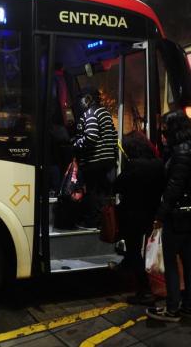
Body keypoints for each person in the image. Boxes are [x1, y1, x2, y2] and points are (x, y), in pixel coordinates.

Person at [146, 110, 191, 322]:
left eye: (165, 127)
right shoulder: (184, 148)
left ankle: (173, 307)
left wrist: (160, 215)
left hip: (178, 216)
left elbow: (173, 188)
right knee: (188, 262)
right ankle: (188, 305)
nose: (162, 132)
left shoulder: (181, 152)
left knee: (171, 263)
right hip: (187, 215)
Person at [114, 131, 165, 305]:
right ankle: (128, 269)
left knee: (134, 251)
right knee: (141, 250)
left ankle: (144, 290)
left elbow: (117, 185)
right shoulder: (159, 164)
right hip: (150, 213)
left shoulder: (133, 165)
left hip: (132, 215)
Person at [73, 85, 117, 229]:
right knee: (103, 193)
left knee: (92, 192)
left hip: (94, 160)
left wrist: (77, 143)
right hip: (107, 160)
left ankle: (92, 222)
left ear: (88, 99)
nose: (81, 102)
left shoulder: (90, 113)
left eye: (82, 99)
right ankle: (104, 222)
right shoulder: (104, 112)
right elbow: (114, 135)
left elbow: (91, 136)